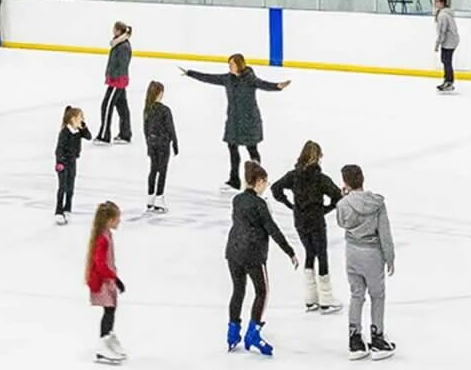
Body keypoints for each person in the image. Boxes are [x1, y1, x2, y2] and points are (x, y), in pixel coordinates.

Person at [182, 54, 291, 191]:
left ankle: (256, 179)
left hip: (249, 121)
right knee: (232, 149)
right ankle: (234, 180)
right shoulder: (227, 78)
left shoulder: (250, 79)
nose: (229, 67)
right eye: (229, 65)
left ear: (239, 65)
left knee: (252, 149)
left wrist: (278, 86)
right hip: (234, 121)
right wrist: (191, 73)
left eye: (232, 64)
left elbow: (264, 84)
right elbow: (210, 78)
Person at [226, 162, 298, 356]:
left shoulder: (237, 200)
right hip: (253, 254)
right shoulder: (259, 204)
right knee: (262, 292)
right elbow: (272, 229)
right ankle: (253, 332)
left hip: (233, 252)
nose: (266, 185)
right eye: (265, 182)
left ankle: (232, 332)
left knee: (238, 291)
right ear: (258, 182)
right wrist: (289, 251)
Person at [272, 141, 343, 314]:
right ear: (318, 157)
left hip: (300, 221)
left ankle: (311, 299)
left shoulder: (294, 175)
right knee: (322, 255)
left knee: (309, 253)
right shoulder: (320, 178)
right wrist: (325, 209)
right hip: (316, 221)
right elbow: (337, 196)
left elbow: (275, 188)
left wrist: (291, 205)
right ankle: (326, 299)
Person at [336, 164, 396, 360]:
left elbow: (342, 223)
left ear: (345, 182)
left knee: (356, 295)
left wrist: (345, 198)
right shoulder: (376, 203)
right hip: (372, 253)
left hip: (352, 252)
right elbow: (384, 232)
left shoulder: (343, 205)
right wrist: (390, 256)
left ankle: (355, 340)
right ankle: (377, 337)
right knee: (377, 295)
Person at [86, 201, 126, 365]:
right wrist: (115, 278)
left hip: (107, 280)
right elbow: (100, 263)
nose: (119, 222)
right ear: (109, 220)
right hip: (103, 281)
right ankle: (103, 343)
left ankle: (108, 337)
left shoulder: (106, 234)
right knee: (109, 311)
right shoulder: (102, 238)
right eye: (117, 219)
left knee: (111, 310)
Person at [142, 81, 178, 212]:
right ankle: (159, 198)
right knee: (162, 171)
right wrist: (175, 142)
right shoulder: (164, 110)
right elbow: (170, 128)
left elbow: (145, 129)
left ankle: (150, 198)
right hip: (163, 143)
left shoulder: (147, 108)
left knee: (153, 169)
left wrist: (148, 144)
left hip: (152, 142)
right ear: (160, 93)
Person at [97, 22, 134, 143]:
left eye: (114, 28)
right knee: (122, 108)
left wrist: (114, 78)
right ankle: (125, 134)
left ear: (118, 30)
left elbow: (123, 65)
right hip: (117, 80)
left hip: (117, 81)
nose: (112, 30)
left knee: (106, 106)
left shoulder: (123, 46)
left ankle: (104, 136)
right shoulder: (118, 43)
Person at [53, 105, 89, 225]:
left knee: (70, 187)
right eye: (80, 117)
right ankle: (59, 210)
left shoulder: (78, 131)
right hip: (63, 163)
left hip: (73, 162)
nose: (82, 119)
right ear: (73, 119)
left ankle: (67, 208)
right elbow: (59, 149)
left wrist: (83, 127)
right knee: (62, 187)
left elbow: (89, 137)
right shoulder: (65, 132)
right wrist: (59, 162)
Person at [433, 0, 460, 93]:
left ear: (442, 3)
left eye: (437, 1)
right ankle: (447, 80)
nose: (435, 3)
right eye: (435, 1)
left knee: (446, 61)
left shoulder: (443, 15)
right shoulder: (442, 13)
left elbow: (442, 31)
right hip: (449, 40)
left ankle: (449, 82)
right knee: (445, 60)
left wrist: (437, 44)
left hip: (449, 41)